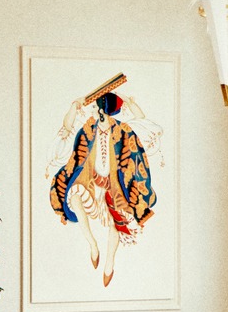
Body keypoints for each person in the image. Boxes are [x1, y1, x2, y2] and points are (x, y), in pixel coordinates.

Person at [48, 74, 158, 287]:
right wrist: (74, 105)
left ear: (105, 111)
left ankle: (109, 263)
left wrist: (129, 101)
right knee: (74, 197)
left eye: (96, 109)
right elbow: (67, 127)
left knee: (117, 220)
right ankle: (92, 244)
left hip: (115, 185)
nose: (94, 112)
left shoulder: (123, 130)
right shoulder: (89, 128)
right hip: (90, 182)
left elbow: (143, 123)